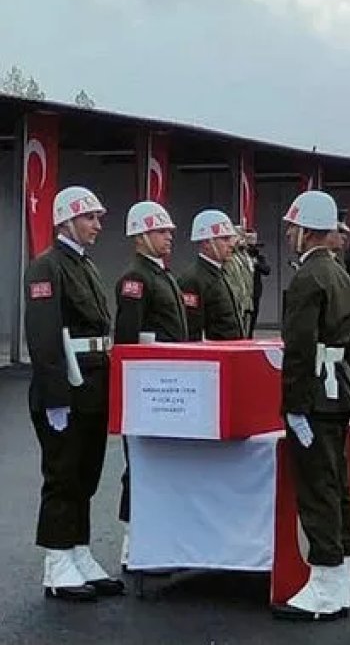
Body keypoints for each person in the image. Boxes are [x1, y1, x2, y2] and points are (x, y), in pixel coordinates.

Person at [272, 190, 350, 622]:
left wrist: (292, 404)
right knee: (339, 487)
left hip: (313, 393)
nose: (290, 235)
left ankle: (325, 582)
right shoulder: (343, 276)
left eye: (293, 228)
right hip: (337, 393)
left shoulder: (308, 278)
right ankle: (340, 575)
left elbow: (298, 348)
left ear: (306, 230)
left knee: (317, 489)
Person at [25, 186, 124, 601]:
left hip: (94, 382)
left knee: (86, 474)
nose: (98, 226)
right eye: (90, 218)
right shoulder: (47, 267)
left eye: (98, 219)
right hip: (67, 384)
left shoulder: (84, 266)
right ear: (66, 220)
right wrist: (56, 397)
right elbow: (45, 337)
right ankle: (57, 560)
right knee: (63, 474)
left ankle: (79, 551)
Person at [113, 200, 188, 569]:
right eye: (161, 231)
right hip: (150, 387)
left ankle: (157, 536)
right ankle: (133, 538)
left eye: (170, 231)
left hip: (170, 383)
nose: (169, 236)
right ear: (142, 235)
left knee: (163, 463)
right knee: (140, 463)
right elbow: (128, 339)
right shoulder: (135, 279)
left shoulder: (163, 275)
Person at [178, 210, 245, 341]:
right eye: (225, 239)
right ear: (206, 243)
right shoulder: (193, 280)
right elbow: (192, 330)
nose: (231, 244)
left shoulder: (220, 273)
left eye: (231, 238)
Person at [246, 231, 271, 336]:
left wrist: (256, 263)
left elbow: (267, 270)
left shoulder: (259, 258)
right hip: (244, 292)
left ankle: (250, 335)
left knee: (253, 317)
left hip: (255, 293)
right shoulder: (242, 258)